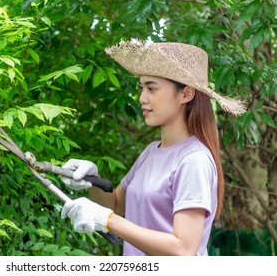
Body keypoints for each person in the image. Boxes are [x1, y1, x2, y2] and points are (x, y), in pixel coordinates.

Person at [60, 39, 245, 256]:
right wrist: (91, 179)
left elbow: (184, 249)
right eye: (141, 88)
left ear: (186, 94)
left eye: (151, 88)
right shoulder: (151, 152)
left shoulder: (194, 160)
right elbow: (117, 204)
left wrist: (108, 221)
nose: (142, 98)